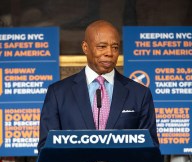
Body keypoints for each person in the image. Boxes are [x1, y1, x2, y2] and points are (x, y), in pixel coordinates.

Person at [38, 20, 159, 151]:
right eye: (102, 46)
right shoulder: (58, 93)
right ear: (85, 47)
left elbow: (150, 147)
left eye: (115, 47)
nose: (110, 53)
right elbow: (47, 148)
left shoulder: (139, 94)